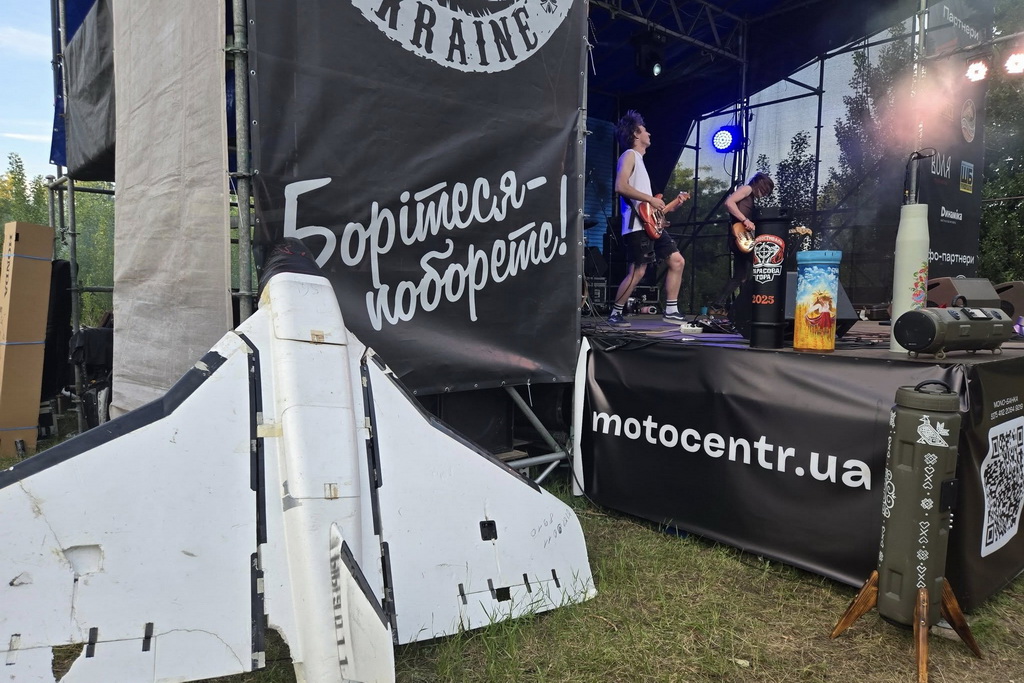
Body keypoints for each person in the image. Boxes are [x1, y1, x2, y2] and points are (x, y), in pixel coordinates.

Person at [606, 110, 690, 328]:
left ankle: (671, 310)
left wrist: (669, 207)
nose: (649, 133)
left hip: (649, 225)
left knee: (677, 261)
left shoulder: (640, 161)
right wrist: (651, 199)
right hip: (636, 226)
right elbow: (620, 186)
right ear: (635, 134)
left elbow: (648, 209)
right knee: (638, 270)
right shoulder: (629, 155)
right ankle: (615, 313)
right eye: (644, 130)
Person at [711, 172, 775, 311]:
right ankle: (752, 304)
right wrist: (745, 220)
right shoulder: (747, 189)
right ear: (761, 185)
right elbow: (729, 202)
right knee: (762, 266)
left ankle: (717, 305)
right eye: (765, 191)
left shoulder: (751, 197)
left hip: (742, 238)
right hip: (739, 236)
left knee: (740, 276)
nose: (764, 195)